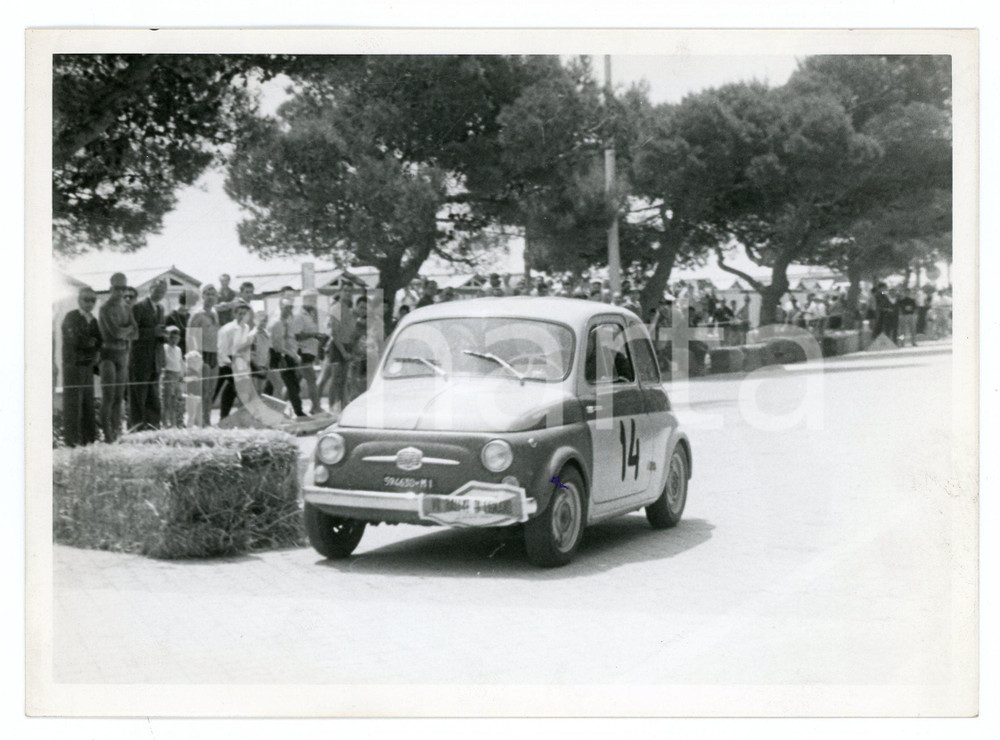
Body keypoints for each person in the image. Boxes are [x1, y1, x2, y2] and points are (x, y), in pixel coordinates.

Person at [98, 273, 138, 442]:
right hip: (108, 355)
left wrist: (125, 331)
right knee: (108, 397)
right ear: (111, 288)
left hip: (122, 354)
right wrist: (127, 330)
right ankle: (107, 435)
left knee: (119, 397)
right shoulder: (105, 308)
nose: (121, 292)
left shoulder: (127, 308)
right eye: (117, 288)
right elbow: (114, 332)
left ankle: (116, 433)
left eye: (124, 288)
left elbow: (136, 333)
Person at [61, 286, 102, 446]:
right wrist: (90, 343)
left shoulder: (93, 320)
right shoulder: (71, 317)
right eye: (86, 299)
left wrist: (91, 344)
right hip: (73, 366)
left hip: (87, 366)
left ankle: (88, 442)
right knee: (73, 405)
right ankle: (71, 443)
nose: (90, 303)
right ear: (79, 300)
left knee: (87, 404)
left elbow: (99, 341)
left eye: (93, 300)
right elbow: (75, 340)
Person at [128, 279, 167, 430]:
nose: (160, 294)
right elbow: (132, 332)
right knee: (138, 395)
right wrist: (152, 332)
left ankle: (153, 427)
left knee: (153, 394)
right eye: (157, 290)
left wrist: (163, 335)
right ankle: (136, 427)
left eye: (163, 291)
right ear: (150, 289)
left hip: (155, 359)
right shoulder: (138, 307)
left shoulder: (161, 308)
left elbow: (159, 332)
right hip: (140, 358)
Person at [186, 284, 220, 426]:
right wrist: (195, 357)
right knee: (202, 390)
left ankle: (207, 419)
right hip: (202, 354)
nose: (210, 297)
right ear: (202, 296)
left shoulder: (214, 313)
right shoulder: (197, 314)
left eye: (213, 294)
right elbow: (190, 336)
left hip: (214, 353)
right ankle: (198, 421)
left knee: (211, 390)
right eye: (207, 294)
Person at [216, 300, 256, 420]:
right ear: (234, 314)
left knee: (233, 389)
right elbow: (221, 350)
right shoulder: (227, 329)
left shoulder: (246, 327)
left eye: (245, 314)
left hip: (239, 361)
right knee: (215, 390)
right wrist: (231, 364)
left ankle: (224, 417)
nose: (242, 316)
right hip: (225, 362)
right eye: (240, 313)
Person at [319, 286, 355, 416]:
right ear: (340, 292)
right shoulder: (336, 308)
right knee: (335, 380)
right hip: (336, 347)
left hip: (347, 346)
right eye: (345, 291)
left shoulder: (348, 310)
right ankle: (332, 408)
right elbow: (334, 333)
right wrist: (343, 352)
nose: (348, 293)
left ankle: (341, 407)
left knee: (343, 381)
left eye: (350, 291)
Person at [271, 299, 308, 418]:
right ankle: (298, 411)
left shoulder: (287, 322)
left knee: (293, 385)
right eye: (286, 307)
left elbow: (290, 340)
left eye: (290, 307)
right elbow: (277, 346)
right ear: (281, 307)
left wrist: (295, 353)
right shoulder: (277, 323)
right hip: (282, 357)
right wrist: (292, 355)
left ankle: (283, 409)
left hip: (290, 355)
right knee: (291, 385)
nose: (288, 310)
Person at [292, 289, 325, 414]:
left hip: (310, 352)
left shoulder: (310, 314)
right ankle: (316, 407)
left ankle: (281, 406)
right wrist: (313, 335)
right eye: (311, 299)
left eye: (315, 299)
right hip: (302, 352)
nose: (314, 302)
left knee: (294, 383)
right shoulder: (299, 315)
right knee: (311, 380)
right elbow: (296, 335)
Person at [160, 326, 184, 428]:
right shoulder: (164, 348)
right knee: (167, 400)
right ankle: (165, 423)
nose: (174, 340)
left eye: (176, 338)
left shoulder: (178, 349)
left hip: (177, 375)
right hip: (168, 374)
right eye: (172, 337)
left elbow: (180, 362)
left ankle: (174, 423)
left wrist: (181, 375)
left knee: (175, 400)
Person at [165, 290, 191, 355]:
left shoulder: (189, 316)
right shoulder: (171, 317)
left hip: (188, 351)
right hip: (174, 351)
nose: (190, 307)